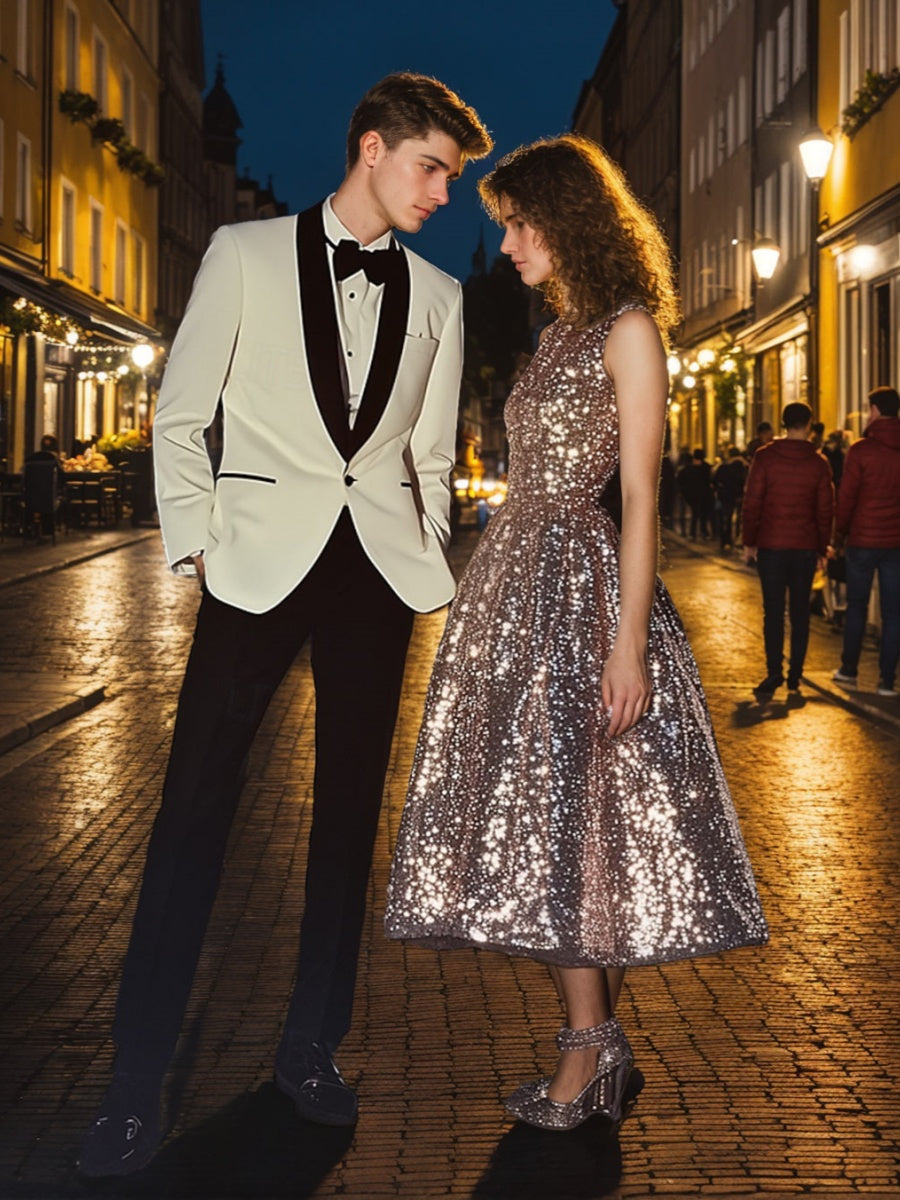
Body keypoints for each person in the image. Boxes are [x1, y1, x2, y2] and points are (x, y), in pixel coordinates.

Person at [77, 72, 492, 1177]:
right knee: (191, 815)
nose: (446, 193)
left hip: (378, 582)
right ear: (372, 147)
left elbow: (434, 458)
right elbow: (181, 412)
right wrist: (198, 543)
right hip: (254, 568)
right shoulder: (245, 254)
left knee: (348, 817)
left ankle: (312, 1043)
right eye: (433, 167)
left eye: (454, 174)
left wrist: (424, 547)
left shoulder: (444, 299)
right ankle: (133, 1080)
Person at [385, 134, 768, 1132]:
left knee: (571, 828)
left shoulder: (629, 333)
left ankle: (590, 1050)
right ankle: (596, 1045)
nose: (507, 246)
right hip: (516, 591)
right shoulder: (558, 333)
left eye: (517, 225)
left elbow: (640, 499)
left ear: (566, 221)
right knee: (549, 827)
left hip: (582, 596)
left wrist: (629, 644)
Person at [741, 402, 834, 697]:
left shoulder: (765, 458)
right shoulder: (819, 463)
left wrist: (749, 541)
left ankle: (773, 673)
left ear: (782, 424)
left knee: (773, 612)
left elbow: (752, 502)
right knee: (800, 613)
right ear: (808, 424)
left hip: (771, 545)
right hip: (805, 547)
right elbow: (825, 510)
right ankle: (796, 675)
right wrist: (822, 547)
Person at [831, 386, 900, 697]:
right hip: (896, 542)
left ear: (873, 411)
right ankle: (887, 680)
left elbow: (846, 499)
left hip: (862, 539)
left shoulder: (861, 450)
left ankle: (849, 670)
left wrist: (839, 535)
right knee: (894, 611)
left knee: (857, 605)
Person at [713, 446, 748, 550]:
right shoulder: (744, 466)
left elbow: (715, 480)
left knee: (726, 519)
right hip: (740, 496)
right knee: (740, 518)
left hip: (726, 496)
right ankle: (738, 538)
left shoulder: (723, 467)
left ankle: (726, 540)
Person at [679, 447, 713, 539]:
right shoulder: (707, 467)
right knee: (703, 515)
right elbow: (710, 480)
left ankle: (692, 533)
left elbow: (681, 480)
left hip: (692, 494)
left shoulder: (687, 468)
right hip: (704, 494)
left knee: (695, 514)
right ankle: (704, 532)